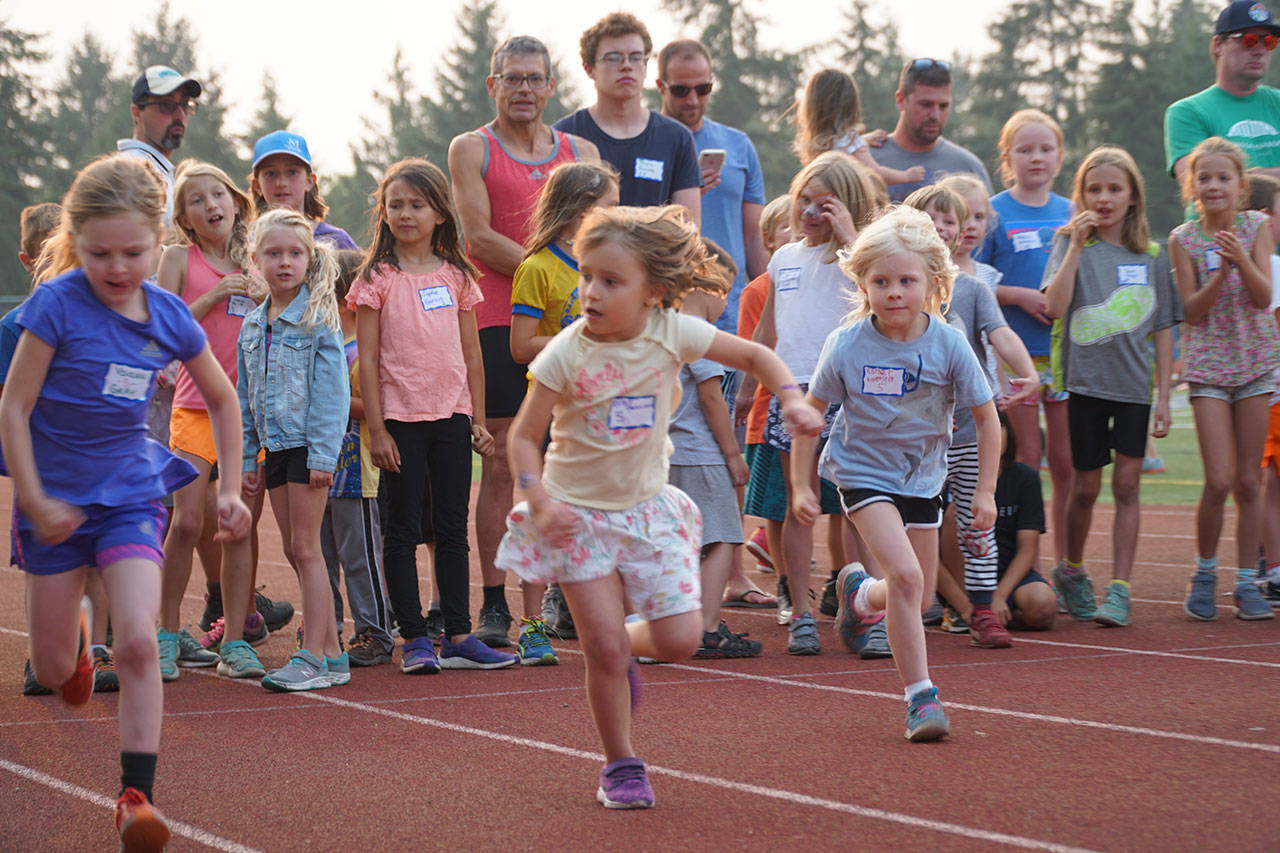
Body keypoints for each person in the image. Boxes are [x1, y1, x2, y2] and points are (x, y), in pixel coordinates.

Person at [495, 205, 823, 808]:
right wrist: (536, 498)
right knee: (601, 649)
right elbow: (521, 436)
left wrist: (793, 398)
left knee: (681, 640)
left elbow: (756, 357)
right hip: (577, 516)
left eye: (610, 281)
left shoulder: (671, 332)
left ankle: (626, 643)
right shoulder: (566, 351)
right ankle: (620, 763)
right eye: (586, 276)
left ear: (653, 292)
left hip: (648, 511)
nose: (591, 291)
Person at [0, 155, 251, 848]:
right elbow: (13, 407)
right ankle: (76, 648)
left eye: (133, 253)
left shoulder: (166, 314)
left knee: (139, 639)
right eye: (99, 253)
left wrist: (230, 488)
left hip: (131, 495)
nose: (117, 268)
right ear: (75, 243)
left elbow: (223, 400)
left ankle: (136, 796)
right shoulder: (55, 305)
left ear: (157, 240)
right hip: (54, 502)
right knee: (55, 671)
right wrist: (33, 497)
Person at [793, 205, 998, 742]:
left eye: (907, 281)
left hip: (924, 478)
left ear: (933, 281)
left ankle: (862, 597)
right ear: (862, 283)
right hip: (861, 473)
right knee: (907, 578)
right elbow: (811, 415)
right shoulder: (847, 344)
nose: (894, 293)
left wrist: (986, 491)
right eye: (881, 282)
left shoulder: (949, 343)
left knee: (918, 595)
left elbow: (987, 418)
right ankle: (920, 699)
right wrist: (800, 484)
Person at [448, 35, 598, 649]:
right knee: (502, 463)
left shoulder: (580, 151)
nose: (524, 89)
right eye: (512, 78)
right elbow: (478, 238)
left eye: (535, 79)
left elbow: (603, 231)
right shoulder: (472, 148)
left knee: (574, 462)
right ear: (493, 85)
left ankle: (561, 596)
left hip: (577, 326)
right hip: (500, 320)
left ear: (551, 87)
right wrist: (555, 275)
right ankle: (494, 602)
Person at [347, 158, 512, 674]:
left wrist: (478, 419)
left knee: (451, 528)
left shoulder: (457, 276)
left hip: (452, 418)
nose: (405, 214)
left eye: (417, 205)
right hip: (399, 421)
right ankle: (415, 638)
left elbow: (472, 354)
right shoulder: (376, 277)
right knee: (401, 530)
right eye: (395, 205)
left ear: (440, 212)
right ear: (383, 212)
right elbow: (367, 359)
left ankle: (459, 634)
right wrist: (377, 428)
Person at [1043, 146, 1182, 628]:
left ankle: (1120, 587)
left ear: (1132, 197)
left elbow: (1162, 328)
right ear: (1080, 196)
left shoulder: (1151, 255)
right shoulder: (1069, 244)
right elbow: (1054, 308)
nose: (1104, 198)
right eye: (1094, 189)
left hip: (1133, 390)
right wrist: (1076, 247)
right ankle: (1072, 569)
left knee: (1127, 486)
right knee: (1085, 489)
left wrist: (1164, 397)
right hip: (1084, 385)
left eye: (1114, 189)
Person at [751, 152, 880, 655]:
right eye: (804, 199)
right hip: (795, 393)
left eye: (823, 204)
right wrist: (748, 387)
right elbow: (768, 329)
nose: (808, 211)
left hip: (850, 392)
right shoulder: (784, 257)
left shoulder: (859, 255)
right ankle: (802, 613)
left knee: (857, 505)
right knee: (798, 502)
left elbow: (876, 286)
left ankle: (865, 609)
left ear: (847, 205)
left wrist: (849, 235)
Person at [903, 184, 1037, 647]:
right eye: (931, 218)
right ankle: (909, 604)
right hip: (913, 437)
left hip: (968, 434)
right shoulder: (897, 288)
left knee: (977, 521)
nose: (941, 228)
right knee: (911, 522)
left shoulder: (974, 289)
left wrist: (1027, 372)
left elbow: (1000, 334)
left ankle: (981, 609)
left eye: (950, 220)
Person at [155, 162, 267, 679]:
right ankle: (165, 634)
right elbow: (163, 325)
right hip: (193, 406)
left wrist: (266, 295)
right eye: (196, 201)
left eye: (217, 194)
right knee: (187, 522)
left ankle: (237, 641)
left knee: (236, 528)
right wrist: (217, 294)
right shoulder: (178, 258)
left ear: (237, 203)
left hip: (249, 415)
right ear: (184, 218)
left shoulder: (257, 258)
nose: (210, 206)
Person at [508, 159, 620, 660]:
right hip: (555, 411)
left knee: (609, 512)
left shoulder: (612, 266)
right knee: (543, 512)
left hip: (606, 407)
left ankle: (607, 614)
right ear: (579, 208)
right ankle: (533, 625)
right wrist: (581, 337)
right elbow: (520, 345)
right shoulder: (538, 268)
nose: (617, 215)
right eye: (609, 206)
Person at [237, 209, 351, 690]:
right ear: (256, 260)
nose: (285, 262)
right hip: (276, 449)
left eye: (295, 253)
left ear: (309, 259)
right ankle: (333, 653)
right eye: (274, 253)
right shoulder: (251, 325)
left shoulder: (318, 319)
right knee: (293, 547)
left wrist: (323, 456)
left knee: (307, 549)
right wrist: (248, 458)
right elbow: (245, 398)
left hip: (308, 447)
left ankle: (313, 657)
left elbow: (333, 394)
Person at [1170, 138, 1278, 621]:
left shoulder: (1256, 227)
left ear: (1240, 185)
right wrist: (1219, 274)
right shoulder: (1183, 239)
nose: (1214, 186)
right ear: (1192, 186)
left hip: (1254, 364)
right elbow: (1191, 312)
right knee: (1217, 480)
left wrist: (1243, 260)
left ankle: (1247, 581)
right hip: (1209, 368)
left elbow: (1263, 297)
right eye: (1205, 178)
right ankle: (1205, 573)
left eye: (1223, 177)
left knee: (1249, 482)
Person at [976, 109, 1074, 566]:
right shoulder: (994, 212)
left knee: (1067, 460)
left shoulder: (1070, 211)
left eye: (1046, 149)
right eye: (1025, 150)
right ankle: (1025, 564)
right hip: (1015, 355)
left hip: (1063, 353)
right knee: (1027, 456)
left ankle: (1069, 562)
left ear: (1059, 156)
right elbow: (972, 280)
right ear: (1007, 158)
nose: (1036, 158)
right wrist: (1019, 296)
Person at [668, 243, 761, 659]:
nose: (725, 304)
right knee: (723, 536)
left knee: (679, 541)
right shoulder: (698, 333)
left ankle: (672, 622)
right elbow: (711, 397)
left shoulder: (662, 326)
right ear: (705, 284)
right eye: (724, 291)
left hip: (668, 452)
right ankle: (704, 627)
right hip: (699, 451)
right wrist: (732, 454)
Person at [656, 38, 767, 329]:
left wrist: (770, 301)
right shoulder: (647, 143)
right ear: (660, 87)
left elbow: (754, 238)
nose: (693, 100)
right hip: (665, 307)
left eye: (703, 89)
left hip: (731, 309)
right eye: (681, 90)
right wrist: (685, 194)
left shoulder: (738, 145)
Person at [555, 13, 701, 223]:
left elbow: (689, 227)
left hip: (657, 246)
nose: (626, 66)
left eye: (636, 57)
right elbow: (555, 223)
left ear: (646, 65)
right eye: (613, 57)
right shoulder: (564, 136)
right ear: (589, 69)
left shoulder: (677, 138)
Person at [324, 250, 396, 666]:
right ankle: (325, 628)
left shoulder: (365, 351)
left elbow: (378, 406)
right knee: (319, 555)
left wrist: (328, 400)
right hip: (317, 469)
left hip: (355, 470)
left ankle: (375, 630)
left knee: (359, 556)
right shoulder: (323, 343)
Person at [1164, 0, 1280, 190]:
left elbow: (1218, 185)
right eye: (1249, 40)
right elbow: (1199, 189)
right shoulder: (1187, 112)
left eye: (1269, 41)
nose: (1260, 50)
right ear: (1218, 44)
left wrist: (1241, 177)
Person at [868, 59, 992, 204]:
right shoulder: (867, 160)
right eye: (926, 105)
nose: (935, 115)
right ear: (900, 100)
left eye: (943, 106)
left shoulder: (968, 168)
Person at [793, 68, 925, 188]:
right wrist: (906, 176)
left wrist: (863, 140)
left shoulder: (816, 144)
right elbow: (876, 173)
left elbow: (841, 147)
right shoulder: (851, 141)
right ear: (851, 104)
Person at [1245, 170, 1280, 603]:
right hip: (1268, 393)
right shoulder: (1268, 267)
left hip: (1263, 390)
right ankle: (1271, 569)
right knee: (1269, 483)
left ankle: (1268, 567)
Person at [991, 412, 1058, 629]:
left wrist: (999, 595)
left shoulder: (1025, 478)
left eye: (997, 425)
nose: (991, 433)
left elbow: (1028, 548)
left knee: (1043, 607)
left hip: (1009, 572)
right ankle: (961, 609)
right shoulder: (951, 477)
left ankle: (1000, 614)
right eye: (981, 427)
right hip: (965, 574)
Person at [116, 65, 201, 229]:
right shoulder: (130, 172)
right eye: (167, 105)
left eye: (185, 104)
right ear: (136, 113)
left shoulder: (159, 170)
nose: (180, 115)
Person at [249, 130, 358, 250]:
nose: (281, 183)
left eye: (292, 172)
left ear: (310, 181)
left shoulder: (337, 241)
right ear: (257, 186)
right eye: (271, 173)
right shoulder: (248, 245)